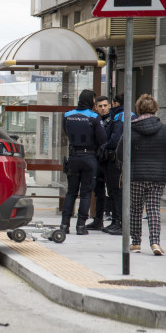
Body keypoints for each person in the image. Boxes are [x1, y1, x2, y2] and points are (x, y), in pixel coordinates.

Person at [116, 94, 166, 256]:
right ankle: (155, 242)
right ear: (155, 109)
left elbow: (120, 152)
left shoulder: (130, 129)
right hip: (157, 177)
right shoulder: (164, 129)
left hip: (135, 175)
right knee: (153, 209)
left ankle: (136, 242)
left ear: (138, 109)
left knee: (136, 209)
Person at [61, 89, 107, 235]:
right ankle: (80, 226)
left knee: (71, 193)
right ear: (91, 101)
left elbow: (66, 132)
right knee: (86, 193)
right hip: (89, 158)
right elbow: (103, 139)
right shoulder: (94, 117)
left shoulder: (67, 115)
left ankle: (64, 225)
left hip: (73, 157)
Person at [102, 93, 132, 236]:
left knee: (116, 191)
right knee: (116, 191)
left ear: (115, 104)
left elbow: (115, 139)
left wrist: (104, 146)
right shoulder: (131, 115)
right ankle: (116, 221)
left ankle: (118, 222)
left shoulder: (120, 117)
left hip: (116, 160)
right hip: (123, 159)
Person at [87, 95, 112, 230]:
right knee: (98, 191)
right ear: (96, 107)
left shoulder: (112, 120)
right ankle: (98, 220)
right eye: (100, 106)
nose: (103, 108)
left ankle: (116, 221)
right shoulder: (94, 120)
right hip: (97, 159)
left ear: (109, 106)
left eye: (105, 105)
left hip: (109, 160)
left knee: (112, 191)